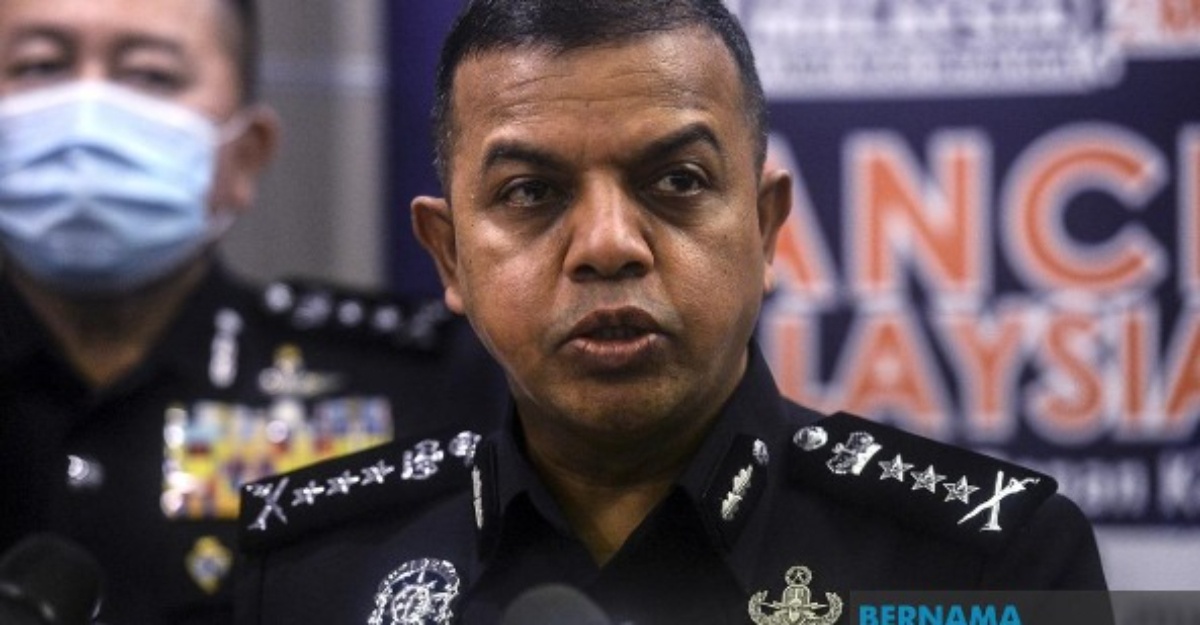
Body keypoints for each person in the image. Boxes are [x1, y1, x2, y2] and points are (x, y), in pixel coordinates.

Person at [234, 1, 1109, 623]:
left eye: (678, 180)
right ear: (450, 255)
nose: (608, 244)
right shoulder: (312, 565)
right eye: (531, 191)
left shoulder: (985, 562)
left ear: (765, 227)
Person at [0, 0, 506, 623]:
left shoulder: (424, 390)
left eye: (150, 74)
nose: (86, 118)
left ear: (245, 154)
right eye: (40, 65)